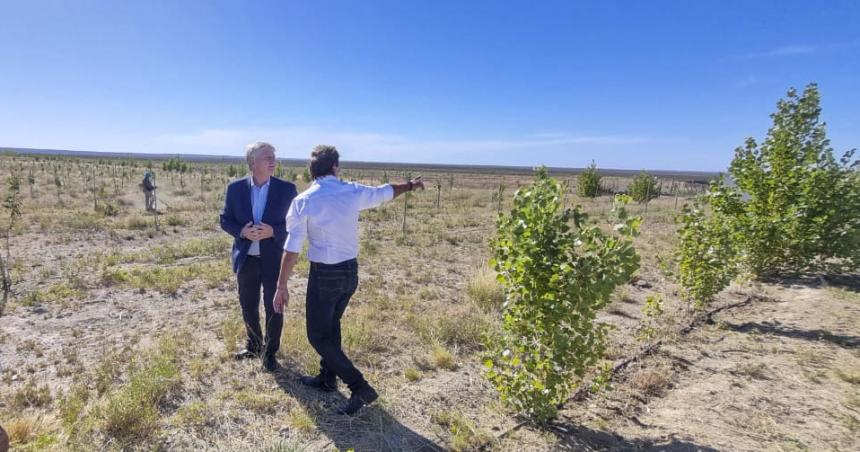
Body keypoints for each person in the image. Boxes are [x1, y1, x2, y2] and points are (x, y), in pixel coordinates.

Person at [273, 144, 424, 415]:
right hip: (350, 273)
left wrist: (281, 285)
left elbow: (292, 248)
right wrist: (410, 185)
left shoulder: (304, 201)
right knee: (331, 327)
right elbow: (386, 192)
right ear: (335, 167)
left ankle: (359, 386)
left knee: (318, 336)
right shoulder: (352, 191)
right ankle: (327, 378)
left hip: (325, 275)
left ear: (312, 170)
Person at [219, 142, 298, 371]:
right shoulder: (235, 189)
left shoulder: (286, 189)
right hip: (247, 259)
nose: (273, 161)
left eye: (274, 157)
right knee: (248, 305)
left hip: (274, 259)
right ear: (252, 162)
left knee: (274, 306)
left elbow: (294, 224)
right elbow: (225, 219)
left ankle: (270, 352)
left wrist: (274, 231)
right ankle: (253, 345)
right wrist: (241, 231)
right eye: (267, 157)